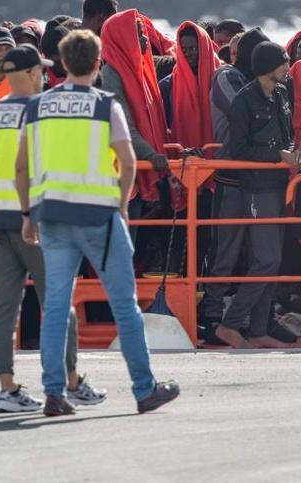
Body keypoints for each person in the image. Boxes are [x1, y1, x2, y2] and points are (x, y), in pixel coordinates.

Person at [16, 29, 179, 416]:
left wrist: (27, 213)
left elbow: (21, 166)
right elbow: (127, 161)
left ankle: (54, 393)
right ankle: (144, 388)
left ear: (61, 63)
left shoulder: (38, 107)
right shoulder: (106, 105)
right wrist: (122, 204)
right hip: (100, 216)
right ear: (97, 62)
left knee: (55, 305)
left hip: (53, 214)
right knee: (124, 305)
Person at [0, 44, 106, 413]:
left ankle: (7, 387)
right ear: (33, 74)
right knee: (59, 301)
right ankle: (72, 381)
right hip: (32, 218)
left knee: (4, 306)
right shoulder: (43, 114)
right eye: (43, 71)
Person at [207, 41, 301, 349]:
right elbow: (239, 150)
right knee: (267, 259)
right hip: (256, 189)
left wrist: (293, 155)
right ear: (267, 66)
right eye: (284, 62)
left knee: (270, 262)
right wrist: (277, 154)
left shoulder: (279, 95)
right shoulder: (244, 100)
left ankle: (259, 329)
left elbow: (285, 139)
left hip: (277, 186)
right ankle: (230, 324)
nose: (288, 66)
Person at [100, 10, 172, 220]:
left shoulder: (138, 70)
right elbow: (123, 125)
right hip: (126, 179)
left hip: (142, 172)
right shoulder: (110, 75)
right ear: (123, 38)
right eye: (138, 33)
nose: (145, 39)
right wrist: (150, 155)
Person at [160, 21, 219, 149]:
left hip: (218, 155)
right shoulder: (167, 85)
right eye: (183, 49)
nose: (187, 53)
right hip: (182, 158)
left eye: (193, 48)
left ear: (203, 47)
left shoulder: (221, 78)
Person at [212, 28, 265, 144]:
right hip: (231, 157)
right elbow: (241, 112)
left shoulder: (258, 78)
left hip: (259, 155)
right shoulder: (226, 77)